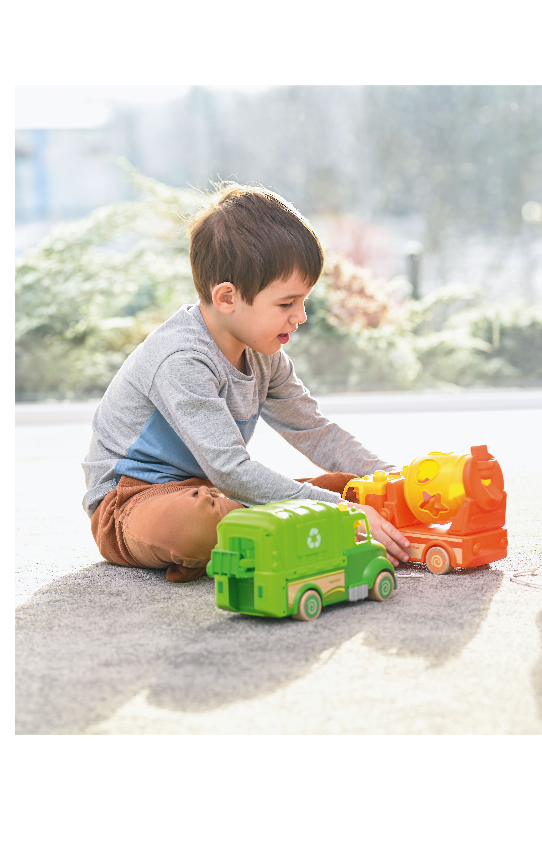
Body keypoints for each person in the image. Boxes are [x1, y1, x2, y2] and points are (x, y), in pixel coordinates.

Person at [83, 184, 410, 582]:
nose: (301, 316)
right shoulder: (180, 359)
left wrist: (393, 478)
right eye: (286, 303)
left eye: (303, 301)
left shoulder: (264, 352)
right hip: (132, 499)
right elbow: (232, 471)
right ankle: (286, 528)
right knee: (198, 523)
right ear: (227, 298)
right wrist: (341, 513)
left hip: (215, 489)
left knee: (354, 487)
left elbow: (315, 430)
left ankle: (278, 528)